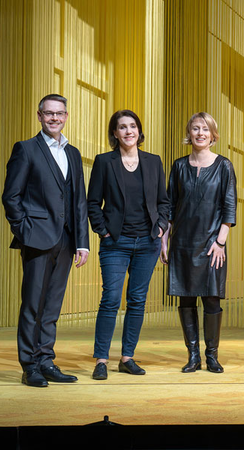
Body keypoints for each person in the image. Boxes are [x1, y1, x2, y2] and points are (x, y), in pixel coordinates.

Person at [2, 94, 90, 387]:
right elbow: (11, 196)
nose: (54, 118)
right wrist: (24, 230)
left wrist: (82, 242)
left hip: (66, 240)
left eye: (60, 113)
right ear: (39, 116)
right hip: (36, 238)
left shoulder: (73, 153)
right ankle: (30, 365)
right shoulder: (26, 149)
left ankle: (46, 359)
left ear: (66, 117)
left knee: (52, 305)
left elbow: (79, 201)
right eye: (49, 113)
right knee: (32, 305)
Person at [87, 110, 169, 380]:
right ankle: (101, 360)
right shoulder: (104, 162)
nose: (128, 131)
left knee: (137, 301)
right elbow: (92, 203)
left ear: (139, 130)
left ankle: (127, 357)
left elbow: (163, 201)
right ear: (114, 133)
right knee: (110, 300)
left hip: (147, 242)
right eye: (122, 127)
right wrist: (104, 232)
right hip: (116, 243)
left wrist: (160, 227)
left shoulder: (154, 162)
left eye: (132, 126)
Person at [160, 112, 236, 374]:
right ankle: (193, 356)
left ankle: (212, 356)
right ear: (189, 133)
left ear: (213, 135)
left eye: (205, 129)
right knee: (186, 301)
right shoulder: (178, 166)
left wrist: (220, 243)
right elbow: (170, 206)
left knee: (212, 301)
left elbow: (229, 205)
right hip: (182, 243)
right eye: (195, 129)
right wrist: (164, 241)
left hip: (211, 244)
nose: (200, 133)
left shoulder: (224, 165)